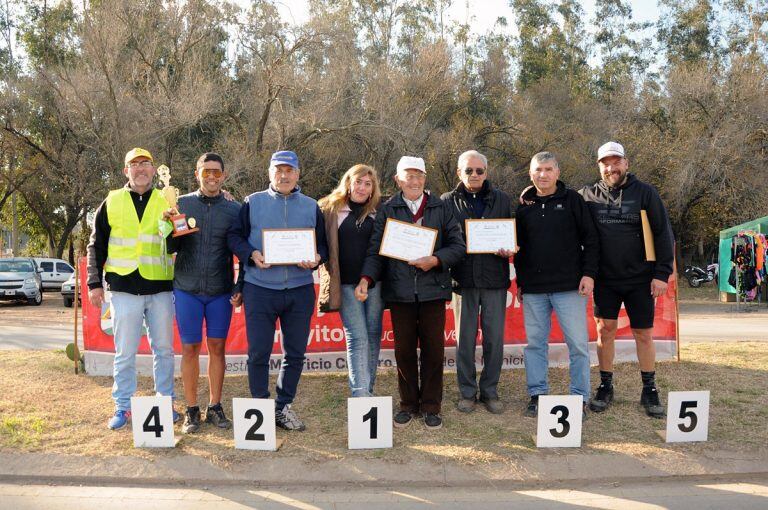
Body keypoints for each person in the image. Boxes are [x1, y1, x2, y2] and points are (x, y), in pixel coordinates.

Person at [356, 156, 465, 430]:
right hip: (400, 292)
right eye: (408, 176)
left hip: (433, 291)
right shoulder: (387, 209)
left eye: (418, 175)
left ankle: (431, 405)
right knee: (403, 351)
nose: (414, 181)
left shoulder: (442, 207)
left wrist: (436, 260)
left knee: (433, 350)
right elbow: (375, 250)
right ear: (397, 180)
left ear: (425, 179)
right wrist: (366, 278)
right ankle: (407, 404)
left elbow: (458, 245)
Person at [228, 150, 328, 431]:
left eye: (289, 170)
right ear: (270, 173)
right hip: (260, 289)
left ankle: (283, 407)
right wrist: (251, 254)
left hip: (299, 289)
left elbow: (323, 246)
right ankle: (260, 408)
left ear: (298, 174)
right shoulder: (252, 202)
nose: (284, 175)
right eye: (278, 170)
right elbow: (234, 237)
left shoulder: (311, 206)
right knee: (258, 352)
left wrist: (318, 258)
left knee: (295, 353)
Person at [579, 142, 674, 418]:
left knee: (643, 334)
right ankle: (606, 386)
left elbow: (662, 234)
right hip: (605, 280)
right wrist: (529, 195)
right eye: (605, 163)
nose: (611, 168)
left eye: (616, 162)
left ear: (626, 163)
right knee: (604, 331)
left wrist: (661, 274)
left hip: (641, 280)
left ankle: (649, 389)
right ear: (599, 166)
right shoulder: (587, 194)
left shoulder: (646, 193)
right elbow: (559, 203)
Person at [86, 148, 178, 430]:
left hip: (160, 288)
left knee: (163, 350)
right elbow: (96, 244)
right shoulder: (112, 200)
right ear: (126, 171)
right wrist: (93, 282)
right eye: (134, 165)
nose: (140, 169)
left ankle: (165, 402)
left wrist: (176, 226)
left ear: (154, 169)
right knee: (124, 352)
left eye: (145, 164)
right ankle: (123, 406)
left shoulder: (167, 198)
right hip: (123, 289)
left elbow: (177, 241)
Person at [514, 151, 599, 418]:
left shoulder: (573, 200)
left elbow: (592, 240)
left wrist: (589, 274)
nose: (543, 174)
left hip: (569, 287)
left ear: (558, 172)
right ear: (531, 174)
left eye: (549, 169)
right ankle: (537, 395)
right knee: (536, 345)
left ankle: (580, 398)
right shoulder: (523, 206)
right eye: (538, 170)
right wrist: (521, 280)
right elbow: (518, 247)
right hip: (534, 288)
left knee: (577, 346)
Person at [166, 153, 242, 434]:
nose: (211, 176)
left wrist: (240, 285)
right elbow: (169, 249)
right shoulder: (180, 204)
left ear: (224, 175)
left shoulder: (235, 209)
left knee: (218, 348)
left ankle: (215, 405)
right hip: (187, 289)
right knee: (189, 349)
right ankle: (191, 409)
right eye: (206, 172)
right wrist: (167, 227)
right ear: (197, 173)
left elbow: (243, 251)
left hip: (220, 290)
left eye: (216, 172)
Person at [441, 150, 514, 414]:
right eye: (468, 170)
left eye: (479, 171)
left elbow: (511, 234)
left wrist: (510, 247)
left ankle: (490, 391)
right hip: (463, 280)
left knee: (494, 339)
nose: (474, 175)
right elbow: (444, 239)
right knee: (465, 340)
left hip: (495, 280)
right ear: (459, 172)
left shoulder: (503, 200)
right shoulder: (447, 201)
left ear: (487, 171)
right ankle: (467, 392)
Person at [318, 164, 384, 397]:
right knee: (357, 336)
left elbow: (380, 249)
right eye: (358, 182)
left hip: (375, 283)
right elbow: (317, 240)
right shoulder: (328, 207)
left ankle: (368, 389)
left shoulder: (380, 209)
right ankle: (359, 394)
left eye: (368, 184)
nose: (362, 188)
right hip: (344, 283)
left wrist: (367, 279)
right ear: (348, 182)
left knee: (374, 333)